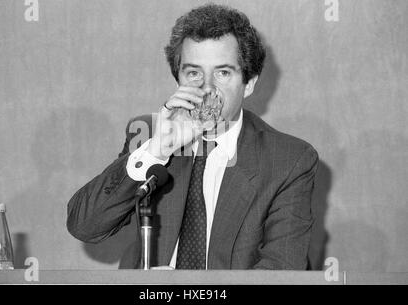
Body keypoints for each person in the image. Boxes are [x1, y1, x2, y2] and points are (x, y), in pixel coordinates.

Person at [67, 4, 319, 270]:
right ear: (178, 80)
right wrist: (157, 150)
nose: (207, 87)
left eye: (223, 73)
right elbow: (84, 226)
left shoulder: (289, 160)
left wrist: (187, 290)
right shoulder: (149, 136)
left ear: (249, 83)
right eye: (193, 73)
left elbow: (281, 272)